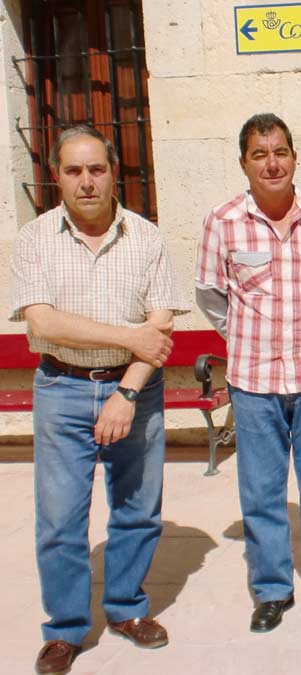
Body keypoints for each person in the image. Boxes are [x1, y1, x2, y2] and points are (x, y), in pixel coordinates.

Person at [10, 125, 190, 675]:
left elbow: (159, 329)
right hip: (61, 388)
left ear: (114, 173)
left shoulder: (147, 237)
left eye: (96, 169)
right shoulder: (34, 239)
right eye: (73, 171)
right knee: (60, 520)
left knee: (137, 509)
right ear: (56, 177)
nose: (86, 182)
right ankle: (65, 629)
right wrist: (129, 335)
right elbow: (44, 322)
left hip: (136, 390)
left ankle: (127, 608)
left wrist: (126, 392)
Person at [195, 113, 301, 631]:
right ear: (244, 163)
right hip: (254, 382)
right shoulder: (222, 221)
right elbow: (210, 297)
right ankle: (271, 590)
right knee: (262, 493)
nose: (272, 163)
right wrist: (249, 335)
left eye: (280, 152)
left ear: (294, 157)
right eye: (260, 154)